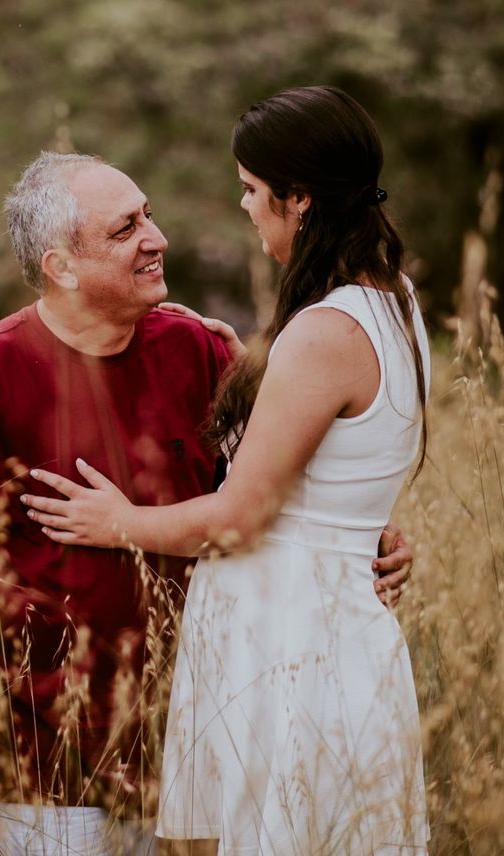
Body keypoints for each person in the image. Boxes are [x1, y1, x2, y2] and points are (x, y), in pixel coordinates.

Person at [0, 149, 415, 855]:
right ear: (61, 267)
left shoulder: (198, 351)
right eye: (124, 229)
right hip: (48, 758)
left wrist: (371, 535)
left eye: (148, 216)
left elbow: (279, 481)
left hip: (199, 745)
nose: (155, 237)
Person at [22, 87, 432, 854]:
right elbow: (333, 468)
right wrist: (252, 360)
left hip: (287, 642)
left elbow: (240, 517)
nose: (243, 207)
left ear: (298, 200)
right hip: (317, 622)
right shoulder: (390, 301)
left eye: (251, 190)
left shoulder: (324, 330)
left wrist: (117, 523)